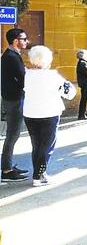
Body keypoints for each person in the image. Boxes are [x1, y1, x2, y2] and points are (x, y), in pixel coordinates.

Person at [23, 45, 76, 186]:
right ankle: (38, 175)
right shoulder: (53, 76)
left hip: (30, 113)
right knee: (47, 145)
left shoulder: (26, 74)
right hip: (49, 113)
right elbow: (70, 93)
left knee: (37, 144)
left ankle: (40, 173)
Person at [1, 28, 29, 183]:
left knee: (13, 134)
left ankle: (8, 166)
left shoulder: (12, 55)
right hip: (14, 100)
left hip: (13, 98)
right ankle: (6, 170)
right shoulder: (11, 56)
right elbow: (23, 78)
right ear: (15, 40)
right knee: (13, 134)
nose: (26, 41)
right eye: (24, 39)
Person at [75, 50, 87, 120]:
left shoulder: (81, 62)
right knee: (84, 99)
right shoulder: (83, 63)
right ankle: (82, 115)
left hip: (83, 83)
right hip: (85, 83)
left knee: (84, 99)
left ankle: (83, 113)